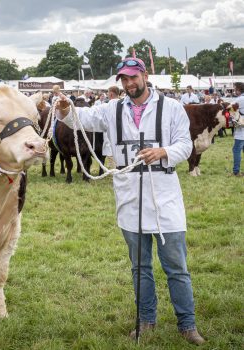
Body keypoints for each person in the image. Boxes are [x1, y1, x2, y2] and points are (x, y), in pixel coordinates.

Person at [55, 57, 205, 345]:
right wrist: (63, 107)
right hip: (129, 196)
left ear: (144, 76)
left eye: (133, 77)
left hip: (163, 195)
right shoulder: (112, 109)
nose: (128, 83)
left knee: (176, 265)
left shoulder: (172, 108)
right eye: (123, 79)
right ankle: (146, 320)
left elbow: (185, 145)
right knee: (140, 267)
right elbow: (80, 118)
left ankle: (188, 324)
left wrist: (163, 152)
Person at [232, 82, 244, 176]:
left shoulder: (239, 99)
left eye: (235, 89)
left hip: (241, 128)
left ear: (239, 90)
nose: (235, 91)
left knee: (236, 150)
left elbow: (230, 110)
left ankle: (236, 171)